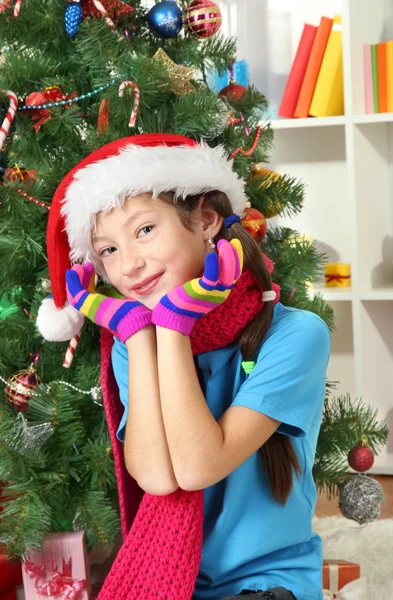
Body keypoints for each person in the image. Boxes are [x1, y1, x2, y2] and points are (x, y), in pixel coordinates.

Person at [37, 133, 331, 600]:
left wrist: (173, 326)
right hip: (170, 579)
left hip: (265, 583)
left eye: (145, 230)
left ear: (207, 221)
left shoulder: (296, 335)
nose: (129, 265)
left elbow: (197, 468)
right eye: (108, 250)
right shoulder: (132, 341)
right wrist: (140, 338)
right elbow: (156, 478)